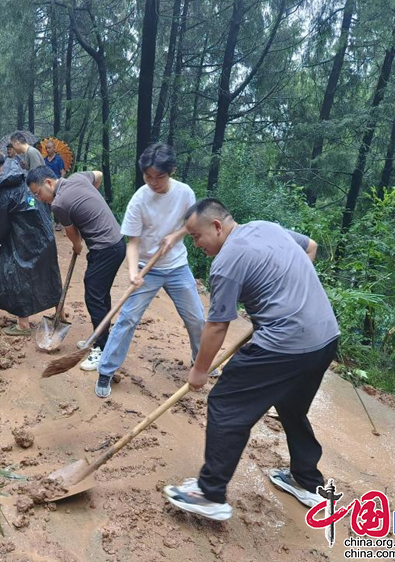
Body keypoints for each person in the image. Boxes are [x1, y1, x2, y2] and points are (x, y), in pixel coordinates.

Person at [162, 198, 340, 522]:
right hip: (325, 338)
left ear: (217, 226)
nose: (196, 244)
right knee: (291, 406)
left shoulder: (226, 262)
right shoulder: (266, 227)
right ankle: (307, 481)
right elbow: (310, 247)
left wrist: (199, 371)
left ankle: (210, 493)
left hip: (285, 345)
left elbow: (216, 326)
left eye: (196, 236)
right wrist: (289, 294)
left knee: (226, 403)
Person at [94, 143, 205, 399]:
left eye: (160, 176)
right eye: (148, 176)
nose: (153, 182)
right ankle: (106, 369)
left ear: (172, 171)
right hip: (147, 268)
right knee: (127, 319)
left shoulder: (185, 193)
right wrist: (134, 273)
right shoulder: (140, 199)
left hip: (177, 266)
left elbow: (193, 223)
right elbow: (132, 242)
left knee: (197, 318)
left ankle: (200, 361)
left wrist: (175, 235)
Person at [27, 166, 125, 371]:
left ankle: (102, 348)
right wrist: (90, 201)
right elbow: (98, 174)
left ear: (48, 183)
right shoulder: (78, 178)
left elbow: (75, 239)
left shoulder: (59, 204)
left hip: (105, 248)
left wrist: (77, 245)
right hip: (116, 242)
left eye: (38, 193)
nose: (39, 198)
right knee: (99, 293)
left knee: (94, 296)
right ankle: (100, 336)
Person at [0, 150, 62, 336]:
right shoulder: (23, 174)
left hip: (24, 239)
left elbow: (0, 224)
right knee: (49, 270)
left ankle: (23, 324)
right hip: (45, 232)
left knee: (18, 275)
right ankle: (60, 312)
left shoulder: (4, 190)